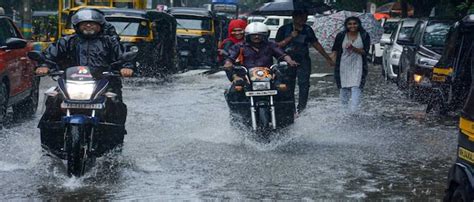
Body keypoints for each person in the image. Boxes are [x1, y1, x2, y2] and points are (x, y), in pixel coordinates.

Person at [35, 9, 134, 149]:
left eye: (92, 23)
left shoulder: (110, 42)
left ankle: (115, 144)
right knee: (53, 101)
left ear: (100, 25)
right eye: (85, 24)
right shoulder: (67, 41)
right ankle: (49, 144)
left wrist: (127, 67)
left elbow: (123, 57)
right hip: (71, 82)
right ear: (77, 26)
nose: (88, 26)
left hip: (105, 82)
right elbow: (49, 56)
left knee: (115, 104)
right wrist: (44, 65)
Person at [223, 22, 298, 107]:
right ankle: (237, 115)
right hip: (247, 77)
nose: (256, 37)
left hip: (269, 75)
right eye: (253, 35)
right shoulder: (240, 46)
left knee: (285, 89)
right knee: (234, 92)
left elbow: (282, 54)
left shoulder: (270, 45)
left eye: (260, 35)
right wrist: (228, 63)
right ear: (248, 36)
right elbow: (230, 58)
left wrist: (290, 60)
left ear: (265, 35)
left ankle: (289, 113)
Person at [276, 10, 334, 114]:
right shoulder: (284, 29)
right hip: (287, 61)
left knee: (304, 85)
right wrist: (290, 37)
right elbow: (277, 47)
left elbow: (316, 44)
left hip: (303, 60)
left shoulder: (308, 29)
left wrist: (327, 58)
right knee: (288, 85)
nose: (304, 19)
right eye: (301, 17)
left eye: (305, 17)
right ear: (294, 17)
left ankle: (301, 109)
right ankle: (291, 109)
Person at [331, 16, 370, 113]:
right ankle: (344, 111)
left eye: (355, 23)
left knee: (356, 86)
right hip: (343, 64)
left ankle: (354, 110)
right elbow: (335, 50)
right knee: (343, 87)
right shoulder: (340, 35)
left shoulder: (364, 35)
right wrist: (331, 60)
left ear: (359, 24)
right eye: (350, 24)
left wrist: (353, 48)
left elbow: (365, 52)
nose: (352, 26)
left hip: (358, 64)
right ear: (346, 25)